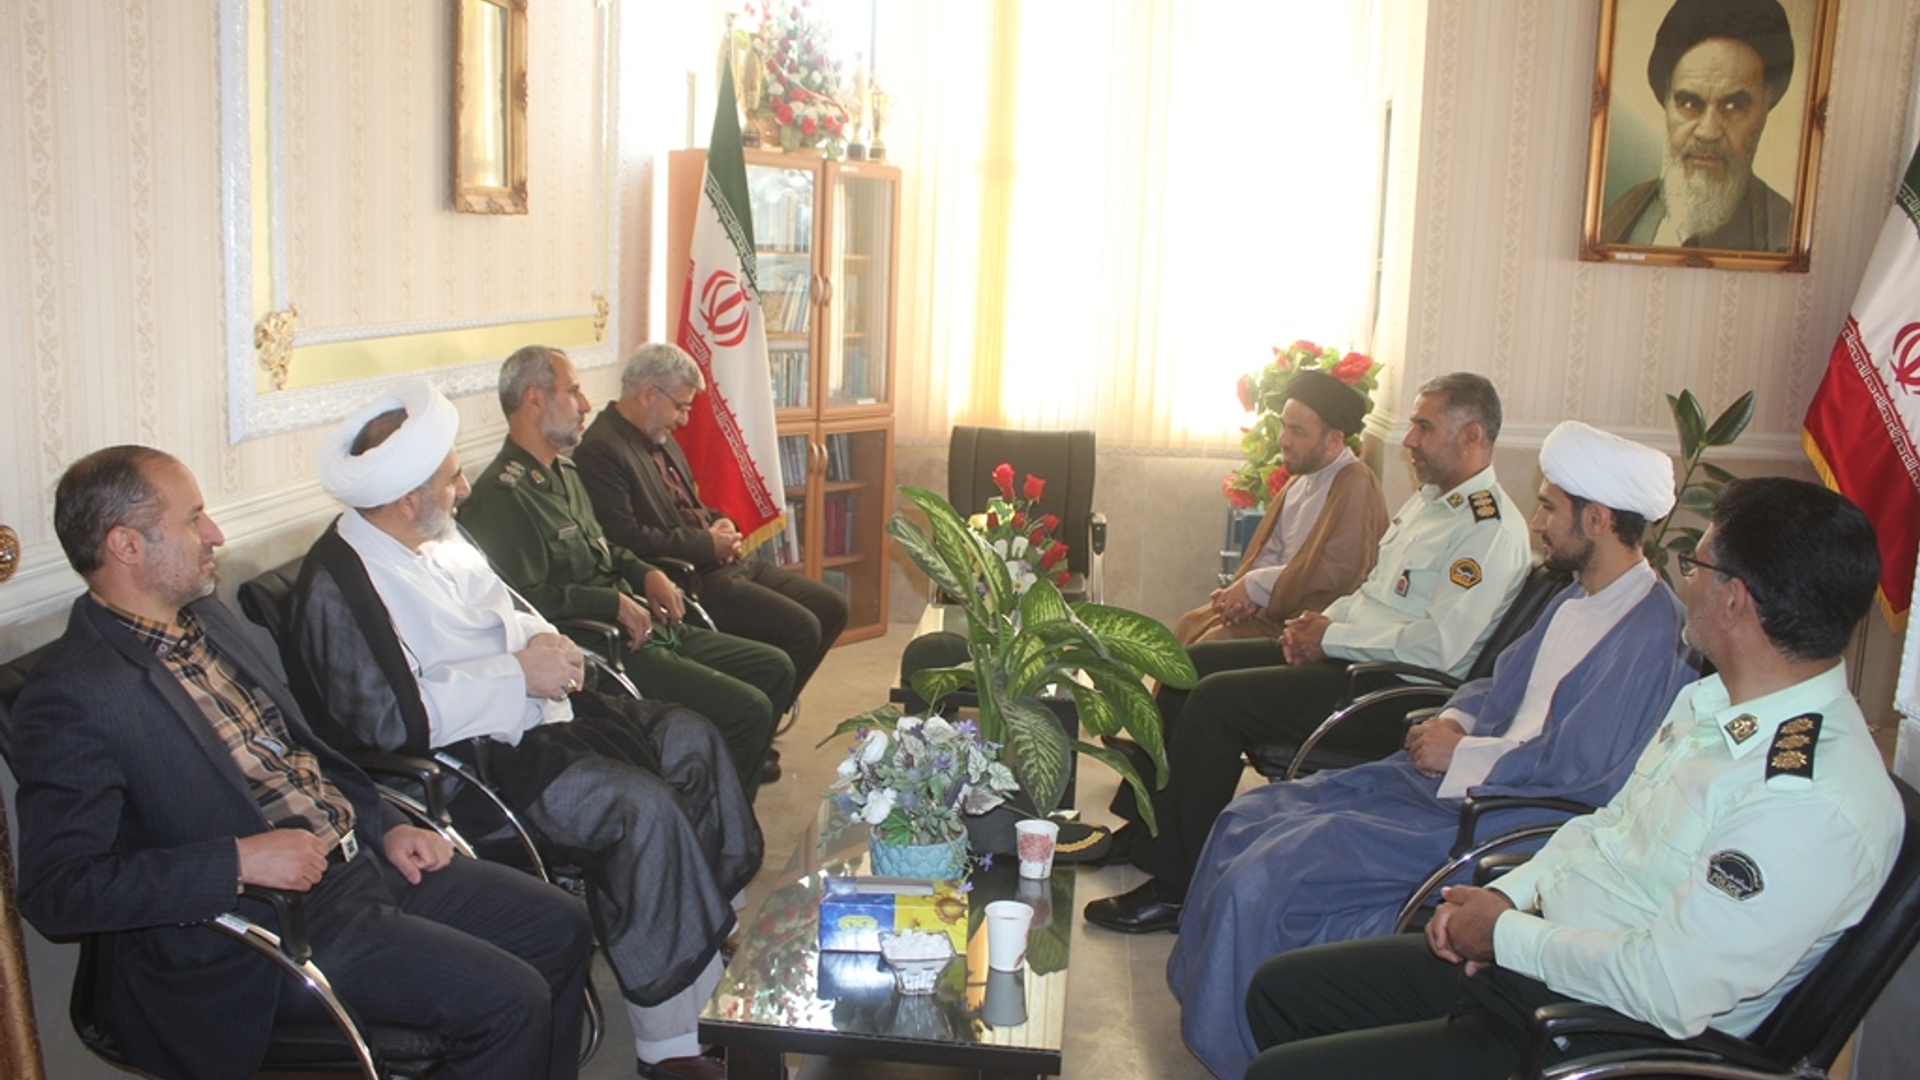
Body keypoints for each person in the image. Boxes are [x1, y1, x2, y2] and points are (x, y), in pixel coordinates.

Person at [1242, 477, 1901, 1080]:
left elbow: (1668, 987)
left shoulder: (1808, 802)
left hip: (1599, 1031)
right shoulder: (1712, 704)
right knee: (1283, 991)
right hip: (1548, 955)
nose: (1685, 584)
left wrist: (1505, 937)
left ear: (1735, 600)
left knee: (1284, 1070)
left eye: (1695, 566)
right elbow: (1605, 827)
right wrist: (1507, 900)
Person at [10, 446, 594, 1080]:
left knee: (560, 924)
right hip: (264, 930)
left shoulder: (206, 622)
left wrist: (384, 825)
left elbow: (304, 755)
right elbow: (59, 890)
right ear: (126, 545)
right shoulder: (75, 693)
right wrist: (238, 861)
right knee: (508, 1001)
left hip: (359, 864)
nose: (215, 534)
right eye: (194, 518)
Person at [1168, 421, 1694, 1079]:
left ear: (1597, 519)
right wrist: (1451, 719)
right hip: (1455, 782)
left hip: (1502, 812)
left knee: (1270, 873)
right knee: (1248, 817)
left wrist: (1464, 754)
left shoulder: (1648, 632)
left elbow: (1583, 776)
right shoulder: (1575, 599)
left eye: (1549, 507)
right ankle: (1228, 1021)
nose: (1537, 522)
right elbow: (1496, 681)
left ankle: (1249, 1054)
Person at [286, 381, 761, 1080]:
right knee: (640, 809)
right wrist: (516, 674)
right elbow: (386, 722)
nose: (464, 489)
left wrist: (547, 643)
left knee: (691, 736)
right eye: (452, 479)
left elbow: (508, 604)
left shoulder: (436, 533)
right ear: (408, 498)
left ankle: (708, 947)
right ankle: (669, 1047)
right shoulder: (339, 584)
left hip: (541, 713)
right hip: (470, 768)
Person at [1087, 372, 1531, 934]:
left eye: (1423, 426)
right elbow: (1373, 597)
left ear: (1471, 436)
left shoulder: (1487, 530)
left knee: (1217, 703)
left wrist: (1331, 638)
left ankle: (1177, 888)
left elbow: (1438, 647)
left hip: (1393, 692)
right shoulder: (1429, 504)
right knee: (1188, 669)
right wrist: (1317, 624)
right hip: (1353, 657)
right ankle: (1149, 829)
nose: (1409, 439)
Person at [457, 344, 796, 797]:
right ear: (534, 400)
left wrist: (644, 574)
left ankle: (715, 795)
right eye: (573, 391)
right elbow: (530, 601)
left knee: (774, 667)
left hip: (642, 624)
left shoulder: (564, 473)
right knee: (748, 708)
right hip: (601, 646)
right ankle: (716, 817)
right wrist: (612, 602)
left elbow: (606, 549)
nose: (585, 404)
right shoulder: (503, 497)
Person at [575, 342, 847, 700]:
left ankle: (763, 708)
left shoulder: (661, 437)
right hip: (687, 578)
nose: (684, 420)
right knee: (802, 629)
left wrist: (723, 524)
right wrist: (707, 543)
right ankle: (751, 719)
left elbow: (691, 504)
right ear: (647, 394)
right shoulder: (601, 450)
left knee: (832, 607)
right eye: (680, 407)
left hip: (721, 561)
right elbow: (624, 537)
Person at [1171, 369, 1389, 646]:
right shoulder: (1301, 478)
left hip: (1308, 628)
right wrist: (1244, 600)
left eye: (1297, 431)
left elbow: (1335, 575)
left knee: (1209, 647)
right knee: (1189, 624)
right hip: (1275, 608)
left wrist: (1253, 587)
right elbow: (1272, 550)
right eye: (1284, 426)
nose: (1283, 439)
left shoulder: (1354, 483)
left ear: (1333, 440)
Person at [1600, 0, 1796, 251]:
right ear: (1667, 104)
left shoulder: (1784, 232)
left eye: (1732, 106)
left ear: (1764, 109)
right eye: (1690, 104)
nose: (1708, 132)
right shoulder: (1627, 208)